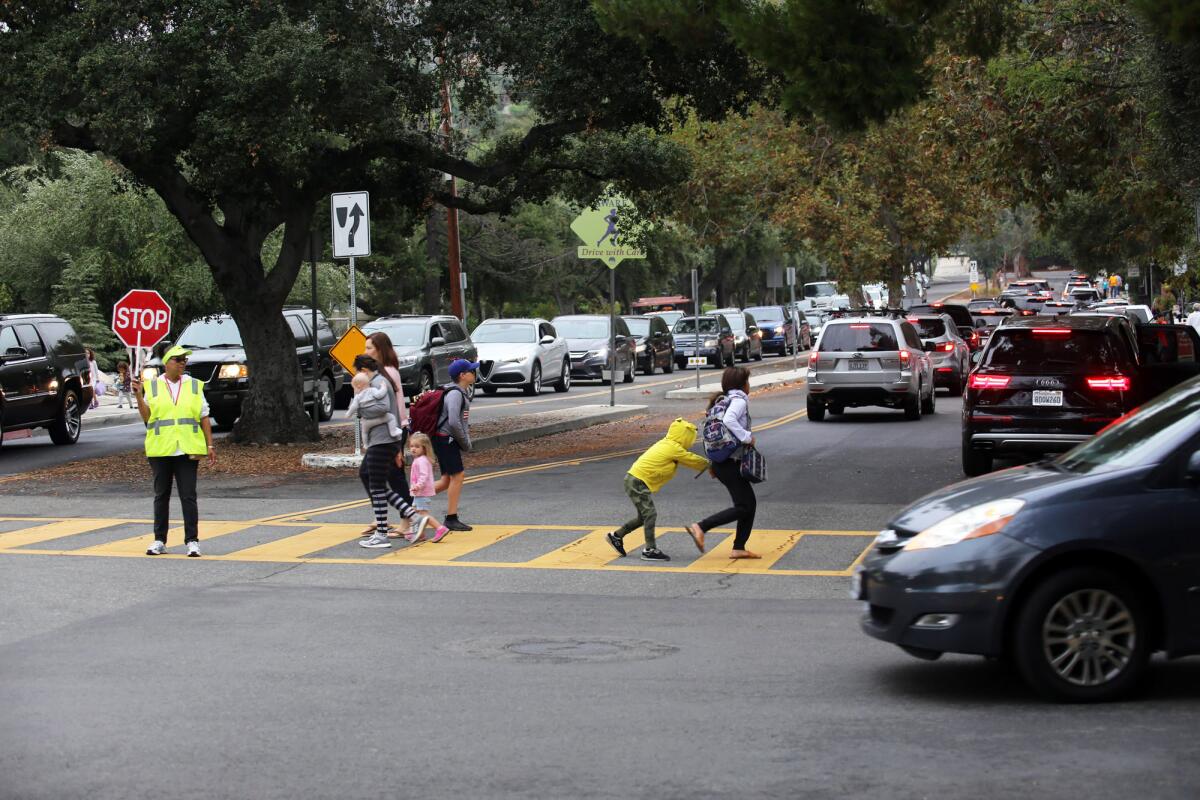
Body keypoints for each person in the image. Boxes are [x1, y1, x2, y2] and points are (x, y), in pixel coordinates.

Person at [132, 345, 215, 557]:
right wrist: (139, 396)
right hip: (161, 449)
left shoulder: (195, 386)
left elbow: (204, 417)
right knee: (161, 495)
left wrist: (210, 445)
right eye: (178, 360)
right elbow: (147, 418)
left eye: (184, 360)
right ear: (167, 362)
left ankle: (192, 541)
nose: (182, 363)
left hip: (187, 449)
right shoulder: (153, 386)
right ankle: (159, 540)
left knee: (188, 495)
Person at [604, 418, 709, 561]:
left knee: (643, 517)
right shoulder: (674, 448)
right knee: (650, 514)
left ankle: (616, 536)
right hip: (637, 481)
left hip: (634, 479)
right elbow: (692, 459)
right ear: (684, 436)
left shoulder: (668, 443)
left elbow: (688, 460)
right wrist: (711, 465)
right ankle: (650, 549)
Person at [686, 367, 760, 559]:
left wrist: (712, 462)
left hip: (722, 462)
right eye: (748, 382)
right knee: (745, 505)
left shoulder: (721, 401)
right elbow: (729, 421)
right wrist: (747, 437)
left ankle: (739, 547)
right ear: (742, 384)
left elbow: (711, 435)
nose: (749, 385)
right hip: (729, 463)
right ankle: (701, 527)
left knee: (747, 504)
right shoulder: (738, 401)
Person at [353, 354, 421, 549]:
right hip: (383, 439)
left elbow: (381, 408)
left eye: (358, 372)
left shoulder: (377, 383)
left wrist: (360, 406)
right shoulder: (379, 381)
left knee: (377, 486)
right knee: (370, 478)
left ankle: (384, 533)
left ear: (364, 371)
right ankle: (412, 516)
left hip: (382, 440)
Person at [433, 359, 477, 532]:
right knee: (458, 476)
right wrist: (465, 442)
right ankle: (451, 518)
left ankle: (410, 502)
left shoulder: (458, 392)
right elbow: (453, 421)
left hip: (443, 439)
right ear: (462, 375)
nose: (474, 373)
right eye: (471, 371)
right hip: (446, 439)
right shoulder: (455, 394)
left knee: (446, 481)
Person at [403, 433, 450, 543]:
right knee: (415, 513)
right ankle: (420, 534)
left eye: (417, 446)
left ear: (424, 448)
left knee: (423, 514)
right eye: (411, 446)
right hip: (418, 492)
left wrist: (418, 486)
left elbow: (424, 476)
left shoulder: (422, 461)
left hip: (421, 492)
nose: (413, 449)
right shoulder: (419, 459)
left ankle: (440, 528)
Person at [346, 371, 403, 439]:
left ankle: (366, 444)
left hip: (367, 421)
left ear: (358, 386)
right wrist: (384, 387)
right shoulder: (372, 390)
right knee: (391, 418)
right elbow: (380, 394)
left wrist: (349, 414)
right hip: (379, 416)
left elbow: (354, 406)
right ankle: (393, 431)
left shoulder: (358, 397)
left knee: (364, 432)